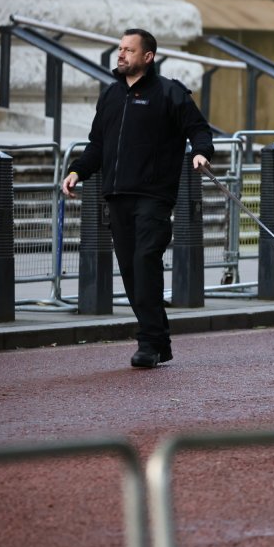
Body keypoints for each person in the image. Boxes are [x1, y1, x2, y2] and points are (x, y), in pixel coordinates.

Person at [62, 28, 214, 368]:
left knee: (146, 260)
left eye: (129, 50)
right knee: (131, 269)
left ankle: (147, 343)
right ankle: (158, 340)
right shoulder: (111, 96)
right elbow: (97, 145)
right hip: (117, 195)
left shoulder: (169, 92)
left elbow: (198, 129)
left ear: (148, 57)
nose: (121, 54)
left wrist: (201, 152)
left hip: (154, 196)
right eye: (120, 48)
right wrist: (77, 172)